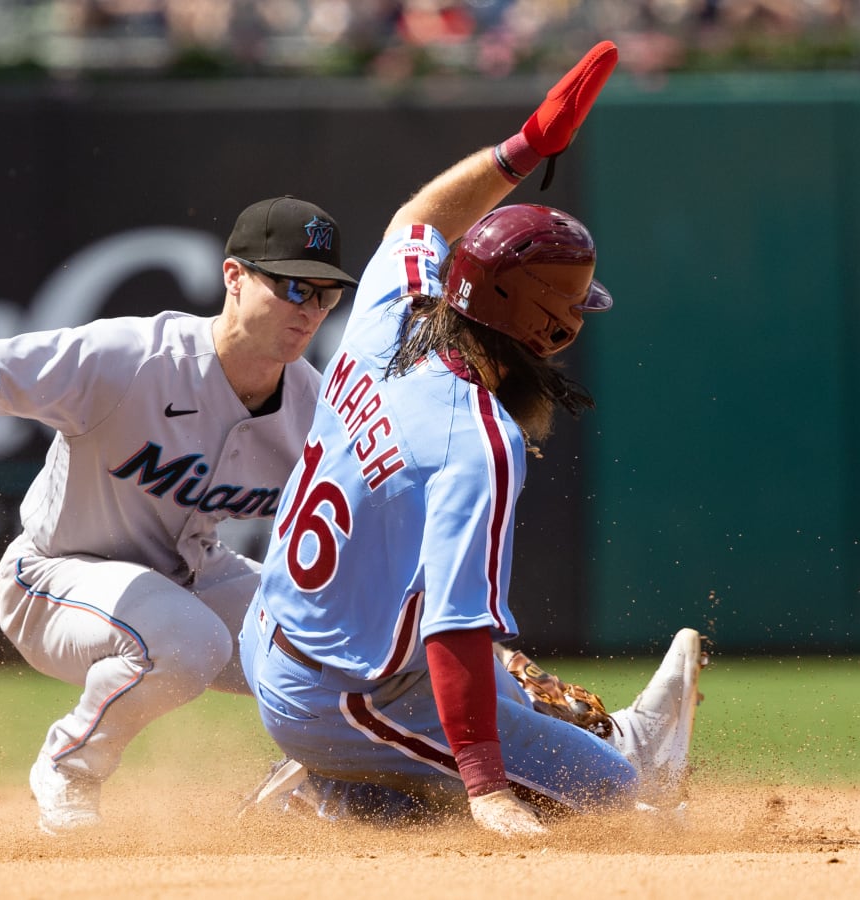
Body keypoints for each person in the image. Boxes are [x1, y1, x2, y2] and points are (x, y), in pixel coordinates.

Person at [238, 40, 707, 838]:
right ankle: (331, 785)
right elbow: (456, 625)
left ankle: (381, 781)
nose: (570, 330)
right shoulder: (475, 439)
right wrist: (486, 785)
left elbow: (417, 220)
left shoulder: (393, 316)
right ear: (546, 326)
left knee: (506, 692)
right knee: (625, 810)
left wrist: (521, 148)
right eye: (569, 313)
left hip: (276, 635)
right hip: (346, 693)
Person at [0, 196, 358, 835]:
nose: (310, 310)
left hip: (189, 574)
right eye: (293, 286)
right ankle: (69, 765)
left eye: (326, 295)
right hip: (52, 577)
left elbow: (372, 523)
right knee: (190, 641)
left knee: (341, 644)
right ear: (234, 277)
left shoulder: (315, 407)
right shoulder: (134, 358)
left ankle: (305, 786)